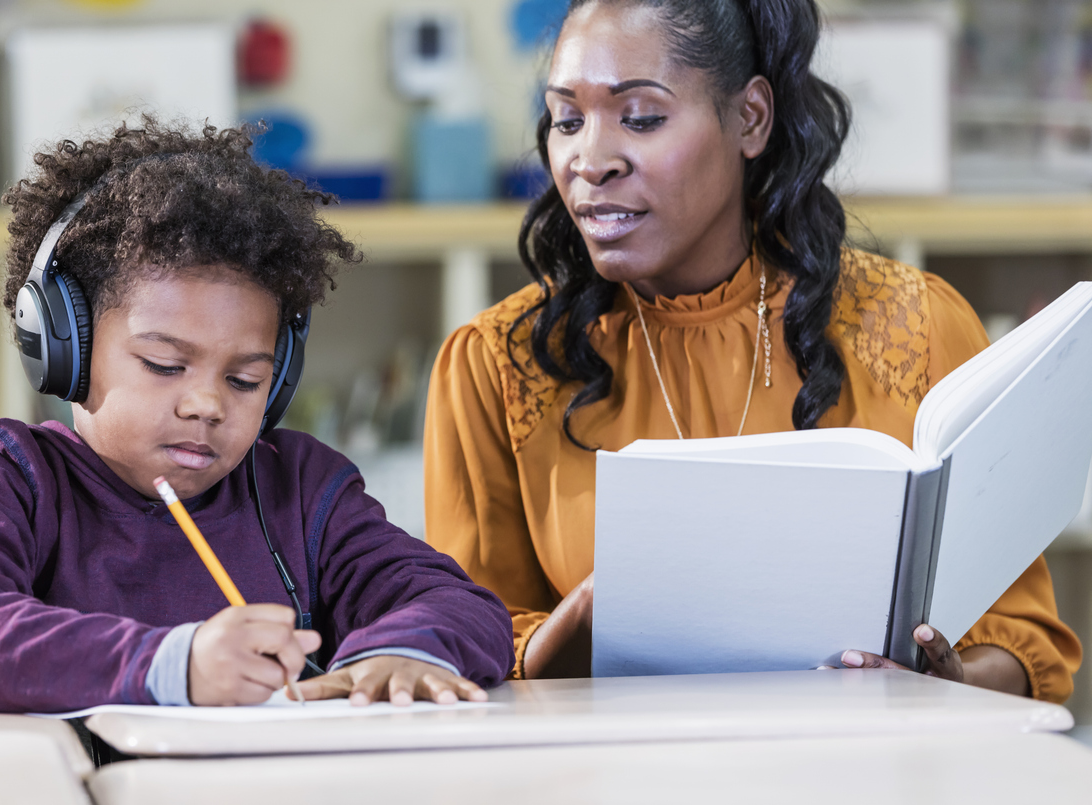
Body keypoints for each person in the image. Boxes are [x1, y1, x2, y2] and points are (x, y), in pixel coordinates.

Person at [423, 0, 1080, 701]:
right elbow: (465, 657)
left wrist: (944, 682)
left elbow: (1025, 642)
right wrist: (590, 614)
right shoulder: (495, 364)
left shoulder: (916, 325)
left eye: (640, 117)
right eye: (567, 119)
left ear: (750, 119)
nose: (591, 160)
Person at [0, 120, 514, 712]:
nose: (207, 405)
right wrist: (174, 666)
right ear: (63, 348)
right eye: (164, 364)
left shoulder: (301, 490)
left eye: (245, 379)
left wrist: (402, 654)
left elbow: (460, 603)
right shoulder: (3, 477)